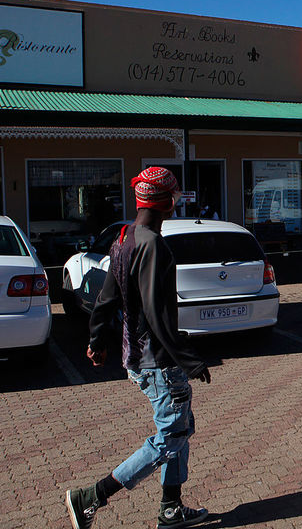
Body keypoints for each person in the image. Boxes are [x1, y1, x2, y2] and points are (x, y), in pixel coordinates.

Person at [66, 166, 212, 529]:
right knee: (169, 437)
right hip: (159, 362)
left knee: (179, 430)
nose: (177, 202)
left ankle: (171, 507)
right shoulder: (155, 246)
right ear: (167, 201)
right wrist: (190, 359)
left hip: (136, 357)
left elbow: (106, 296)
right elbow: (158, 313)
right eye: (175, 196)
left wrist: (97, 339)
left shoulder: (124, 238)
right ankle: (92, 496)